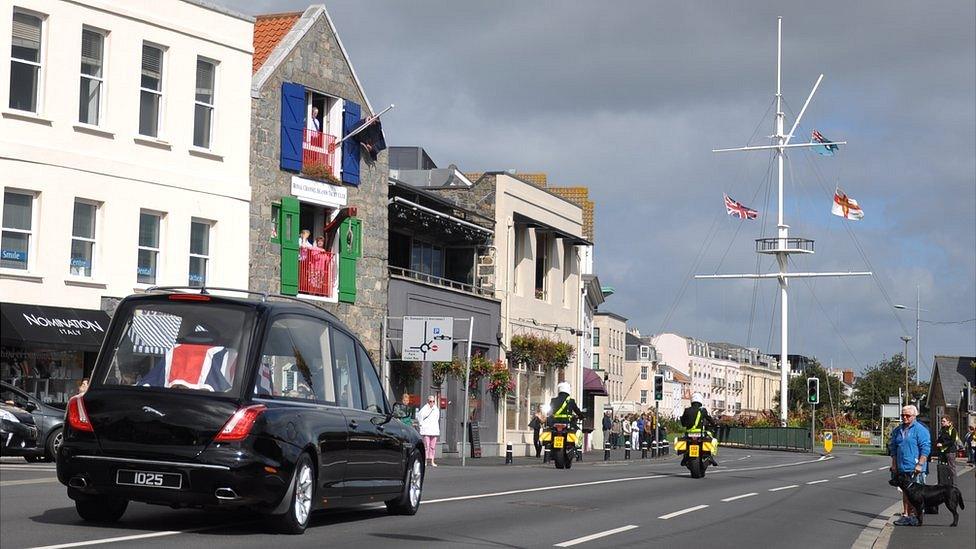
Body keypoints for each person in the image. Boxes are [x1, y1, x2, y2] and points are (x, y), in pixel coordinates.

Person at [889, 404, 931, 526]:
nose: (904, 417)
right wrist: (894, 464)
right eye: (903, 415)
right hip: (902, 467)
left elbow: (925, 448)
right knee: (906, 493)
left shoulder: (921, 430)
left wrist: (920, 464)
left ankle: (916, 517)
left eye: (907, 415)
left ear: (914, 416)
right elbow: (893, 448)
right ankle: (906, 515)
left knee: (917, 495)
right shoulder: (898, 430)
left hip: (915, 468)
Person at [681, 392, 719, 466]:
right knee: (713, 440)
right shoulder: (702, 410)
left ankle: (685, 456)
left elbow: (683, 423)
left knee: (684, 443)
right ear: (700, 401)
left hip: (689, 434)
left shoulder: (687, 410)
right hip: (700, 434)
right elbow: (709, 419)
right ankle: (710, 457)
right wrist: (714, 424)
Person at [934, 415, 960, 482]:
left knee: (951, 468)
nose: (942, 422)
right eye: (942, 421)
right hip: (943, 451)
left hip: (950, 451)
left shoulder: (952, 430)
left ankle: (954, 484)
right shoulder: (942, 430)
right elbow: (940, 439)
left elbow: (952, 441)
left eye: (944, 421)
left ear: (948, 422)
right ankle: (944, 482)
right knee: (943, 468)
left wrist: (942, 444)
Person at [417, 395, 440, 467]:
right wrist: (422, 425)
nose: (432, 403)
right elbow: (419, 416)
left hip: (434, 430)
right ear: (428, 401)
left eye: (433, 401)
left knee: (433, 446)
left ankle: (432, 460)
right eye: (430, 401)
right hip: (426, 430)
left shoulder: (436, 409)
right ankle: (425, 460)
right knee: (426, 446)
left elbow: (437, 418)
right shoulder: (424, 408)